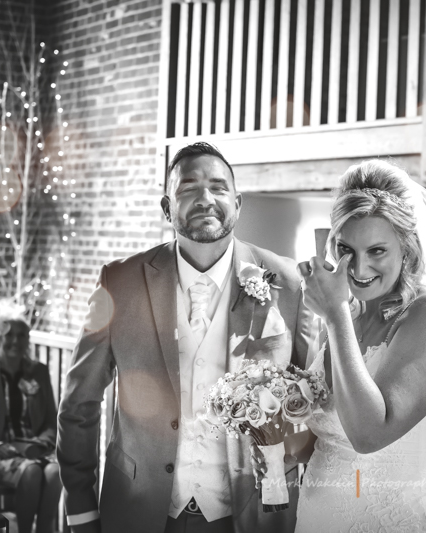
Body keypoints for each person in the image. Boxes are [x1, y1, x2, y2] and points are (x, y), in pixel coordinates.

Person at [57, 142, 313, 533]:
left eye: (218, 186)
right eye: (188, 188)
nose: (205, 198)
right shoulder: (119, 282)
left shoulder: (289, 284)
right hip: (138, 510)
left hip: (252, 515)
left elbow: (313, 406)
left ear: (238, 203)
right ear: (166, 208)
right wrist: (80, 508)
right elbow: (80, 403)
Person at [254, 160, 426, 531]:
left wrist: (335, 315)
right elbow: (331, 437)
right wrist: (276, 441)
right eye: (346, 249)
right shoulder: (346, 317)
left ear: (407, 249)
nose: (357, 268)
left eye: (377, 251)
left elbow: (369, 436)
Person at [0, 300, 61, 533]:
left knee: (55, 472)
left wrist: (43, 442)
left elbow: (51, 418)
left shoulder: (38, 370)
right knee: (31, 472)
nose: (16, 341)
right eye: (9, 335)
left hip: (35, 449)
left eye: (22, 335)